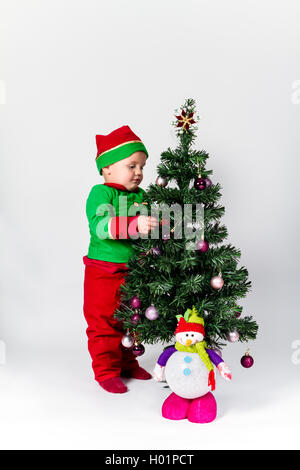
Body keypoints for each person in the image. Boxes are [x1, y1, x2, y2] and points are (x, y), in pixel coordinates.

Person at [83, 125, 159, 393]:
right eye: (132, 166)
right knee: (104, 320)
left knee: (132, 318)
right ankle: (105, 371)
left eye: (142, 166)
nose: (139, 172)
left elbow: (152, 224)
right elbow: (101, 226)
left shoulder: (141, 196)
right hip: (104, 271)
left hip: (134, 270)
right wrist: (134, 225)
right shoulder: (102, 193)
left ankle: (127, 362)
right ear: (107, 169)